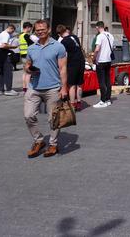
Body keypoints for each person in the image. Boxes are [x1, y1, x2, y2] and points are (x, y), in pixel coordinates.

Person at [23, 19, 69, 158]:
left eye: (43, 29)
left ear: (48, 30)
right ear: (34, 31)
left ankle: (53, 144)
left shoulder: (58, 47)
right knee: (28, 115)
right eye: (37, 30)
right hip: (34, 87)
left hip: (53, 88)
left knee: (53, 119)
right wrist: (29, 69)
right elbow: (27, 65)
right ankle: (39, 140)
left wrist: (64, 88)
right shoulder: (31, 48)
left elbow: (63, 68)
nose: (40, 32)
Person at [57, 25, 85, 111]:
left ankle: (72, 104)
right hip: (81, 61)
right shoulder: (75, 37)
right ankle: (79, 103)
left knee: (72, 84)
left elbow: (63, 55)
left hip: (72, 63)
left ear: (60, 34)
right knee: (79, 84)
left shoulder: (64, 41)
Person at [92, 21, 114, 107]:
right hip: (108, 60)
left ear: (97, 27)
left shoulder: (99, 36)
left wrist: (94, 58)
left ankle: (102, 100)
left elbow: (97, 49)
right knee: (107, 80)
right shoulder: (110, 35)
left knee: (101, 81)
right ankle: (108, 99)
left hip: (101, 61)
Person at [0, 24, 18, 96]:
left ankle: (0, 90)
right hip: (5, 54)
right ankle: (8, 89)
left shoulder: (1, 33)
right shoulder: (6, 34)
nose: (12, 33)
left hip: (0, 54)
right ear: (10, 28)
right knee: (8, 72)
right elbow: (4, 45)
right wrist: (13, 47)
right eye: (12, 31)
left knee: (2, 72)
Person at [19, 22, 38, 91]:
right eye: (30, 28)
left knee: (25, 72)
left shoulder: (20, 35)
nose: (30, 30)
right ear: (27, 27)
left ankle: (24, 87)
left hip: (22, 55)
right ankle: (28, 88)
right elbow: (32, 44)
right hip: (27, 56)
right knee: (29, 73)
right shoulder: (26, 35)